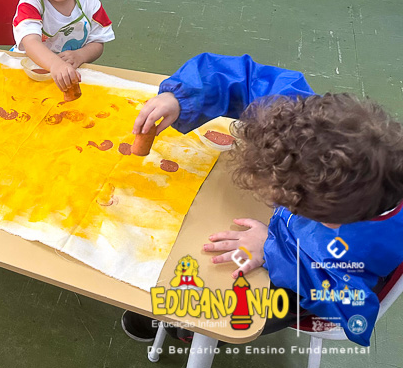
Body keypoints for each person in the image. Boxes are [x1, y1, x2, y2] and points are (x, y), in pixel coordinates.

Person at [122, 53, 403, 347]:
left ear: (329, 220)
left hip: (296, 284)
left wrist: (272, 251)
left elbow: (351, 304)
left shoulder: (361, 247)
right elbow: (246, 77)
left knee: (201, 305)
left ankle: (182, 330)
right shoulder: (304, 124)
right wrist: (181, 97)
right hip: (279, 229)